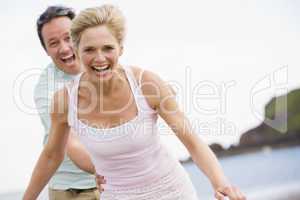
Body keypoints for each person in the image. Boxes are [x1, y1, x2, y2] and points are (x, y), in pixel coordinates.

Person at [24, 4, 246, 200]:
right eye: (89, 50)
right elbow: (52, 155)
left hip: (172, 191)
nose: (99, 58)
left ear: (121, 48)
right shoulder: (63, 100)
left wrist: (221, 184)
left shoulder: (147, 84)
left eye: (108, 48)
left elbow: (193, 142)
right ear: (78, 52)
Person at [34, 5, 103, 199]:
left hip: (111, 180)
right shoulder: (46, 90)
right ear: (46, 50)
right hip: (72, 189)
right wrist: (113, 171)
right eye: (54, 43)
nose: (64, 48)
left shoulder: (101, 62)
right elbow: (71, 145)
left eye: (68, 37)